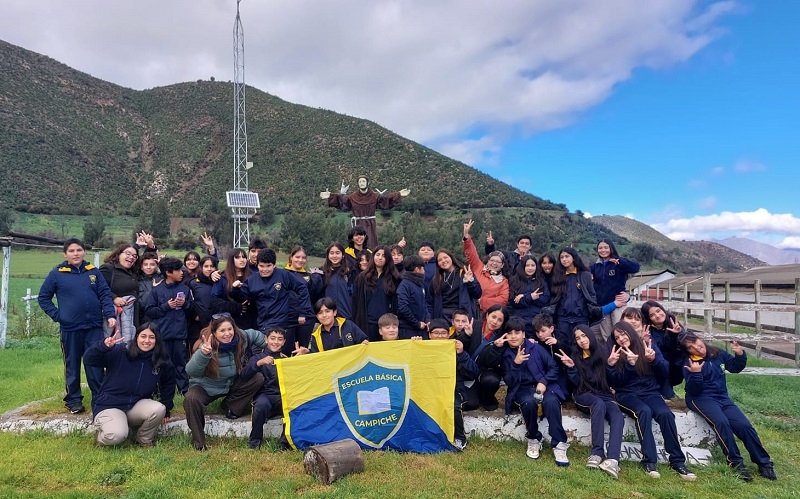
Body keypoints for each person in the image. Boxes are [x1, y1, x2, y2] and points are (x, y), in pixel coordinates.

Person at [680, 332, 777, 481]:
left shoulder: (716, 352)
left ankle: (764, 462)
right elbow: (694, 390)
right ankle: (736, 463)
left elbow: (734, 367)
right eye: (691, 348)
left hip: (722, 398)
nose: (698, 348)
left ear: (701, 339)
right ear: (688, 351)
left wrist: (740, 355)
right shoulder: (689, 363)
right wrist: (696, 373)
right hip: (699, 399)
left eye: (697, 343)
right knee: (721, 422)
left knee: (744, 426)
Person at [607, 322, 696, 481]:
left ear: (631, 333)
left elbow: (664, 372)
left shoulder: (646, 345)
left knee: (665, 414)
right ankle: (649, 461)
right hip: (626, 395)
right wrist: (629, 365)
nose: (621, 339)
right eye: (617, 337)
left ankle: (677, 461)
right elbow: (616, 383)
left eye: (623, 334)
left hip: (650, 392)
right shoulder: (615, 353)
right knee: (644, 411)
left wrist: (654, 359)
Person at [38, 238, 116, 414]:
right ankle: (73, 401)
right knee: (72, 365)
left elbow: (104, 294)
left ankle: (100, 397)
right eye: (72, 251)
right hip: (70, 328)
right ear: (65, 254)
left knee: (95, 363)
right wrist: (59, 316)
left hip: (93, 327)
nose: (76, 254)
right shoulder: (57, 274)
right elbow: (43, 298)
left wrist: (110, 315)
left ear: (84, 252)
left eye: (79, 250)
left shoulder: (93, 272)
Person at [184, 315, 267, 450]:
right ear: (214, 333)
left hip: (230, 383)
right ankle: (199, 443)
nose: (227, 333)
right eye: (222, 331)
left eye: (230, 329)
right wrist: (203, 354)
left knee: (257, 378)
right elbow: (191, 371)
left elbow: (258, 336)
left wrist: (273, 346)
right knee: (191, 399)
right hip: (207, 386)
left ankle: (231, 406)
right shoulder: (205, 345)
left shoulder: (241, 337)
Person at [84, 323, 175, 447]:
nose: (147, 341)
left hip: (136, 405)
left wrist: (168, 409)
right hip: (110, 405)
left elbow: (168, 383)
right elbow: (89, 360)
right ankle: (102, 437)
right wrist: (103, 346)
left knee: (159, 409)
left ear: (157, 340)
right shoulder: (120, 351)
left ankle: (143, 439)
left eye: (151, 337)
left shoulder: (161, 360)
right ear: (137, 337)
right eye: (143, 336)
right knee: (116, 436)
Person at [500, 317, 570, 465]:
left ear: (524, 334)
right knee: (529, 402)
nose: (513, 336)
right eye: (509, 333)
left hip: (544, 385)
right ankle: (533, 438)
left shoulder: (536, 347)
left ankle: (559, 443)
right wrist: (516, 364)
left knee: (551, 402)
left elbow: (553, 367)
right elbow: (509, 382)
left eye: (517, 332)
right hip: (522, 389)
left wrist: (543, 382)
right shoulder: (506, 354)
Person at [557, 325, 623, 478]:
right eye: (578, 338)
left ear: (590, 336)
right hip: (583, 395)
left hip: (604, 394)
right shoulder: (575, 356)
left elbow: (611, 380)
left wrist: (610, 365)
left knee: (617, 415)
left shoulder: (603, 352)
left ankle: (613, 460)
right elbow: (576, 384)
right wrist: (572, 367)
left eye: (583, 336)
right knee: (598, 404)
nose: (581, 340)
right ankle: (597, 453)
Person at [232, 248, 314, 336]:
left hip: (282, 326)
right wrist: (236, 289)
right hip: (262, 325)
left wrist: (303, 312)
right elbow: (242, 297)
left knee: (284, 349)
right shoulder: (252, 280)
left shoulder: (283, 275)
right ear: (257, 265)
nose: (265, 269)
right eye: (262, 266)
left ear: (274, 265)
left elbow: (302, 288)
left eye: (268, 266)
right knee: (262, 349)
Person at [428, 318, 479, 451]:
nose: (440, 336)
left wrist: (461, 354)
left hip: (454, 389)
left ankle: (460, 437)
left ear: (448, 334)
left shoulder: (455, 348)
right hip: (429, 389)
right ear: (429, 335)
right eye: (436, 333)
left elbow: (473, 372)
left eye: (443, 333)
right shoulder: (423, 348)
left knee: (454, 405)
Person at [144, 257, 192, 395]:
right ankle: (161, 391)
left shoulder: (185, 289)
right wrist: (166, 306)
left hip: (180, 335)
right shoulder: (157, 291)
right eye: (178, 270)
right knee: (162, 363)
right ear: (168, 272)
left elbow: (191, 309)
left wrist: (185, 304)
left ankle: (183, 390)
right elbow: (149, 311)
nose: (182, 272)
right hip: (162, 335)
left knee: (180, 363)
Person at [321, 175, 410, 246]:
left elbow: (386, 200)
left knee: (370, 244)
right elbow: (342, 200)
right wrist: (330, 195)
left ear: (368, 183)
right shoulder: (353, 197)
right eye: (360, 182)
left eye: (363, 181)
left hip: (370, 225)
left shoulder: (375, 196)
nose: (361, 183)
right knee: (357, 245)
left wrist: (399, 194)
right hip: (357, 224)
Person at [240, 327, 287, 449]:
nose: (275, 342)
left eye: (279, 339)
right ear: (266, 339)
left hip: (281, 396)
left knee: (294, 405)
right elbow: (244, 375)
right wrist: (259, 363)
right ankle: (254, 442)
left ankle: (285, 442)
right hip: (264, 395)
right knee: (261, 405)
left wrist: (301, 358)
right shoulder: (257, 357)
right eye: (272, 338)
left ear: (284, 342)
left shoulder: (286, 359)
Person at [547, 247, 599, 348]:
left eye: (567, 256)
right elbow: (554, 296)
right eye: (561, 257)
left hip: (581, 317)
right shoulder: (557, 276)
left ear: (573, 258)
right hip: (563, 318)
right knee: (562, 345)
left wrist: (591, 309)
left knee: (581, 345)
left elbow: (592, 294)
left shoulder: (585, 275)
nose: (564, 259)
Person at [590, 239, 639, 342]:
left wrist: (620, 262)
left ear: (611, 248)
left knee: (622, 332)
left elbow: (635, 267)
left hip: (619, 304)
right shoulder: (595, 266)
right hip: (603, 306)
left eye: (606, 247)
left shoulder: (618, 263)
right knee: (607, 336)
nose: (603, 250)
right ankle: (611, 356)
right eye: (600, 248)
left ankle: (626, 355)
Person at [353, 245, 401, 341]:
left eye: (383, 256)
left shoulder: (395, 278)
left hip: (387, 326)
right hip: (367, 323)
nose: (380, 258)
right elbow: (355, 302)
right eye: (377, 254)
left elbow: (397, 303)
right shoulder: (362, 277)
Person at [463, 220, 509, 315]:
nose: (494, 263)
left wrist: (481, 301)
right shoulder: (478, 267)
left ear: (502, 265)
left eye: (498, 262)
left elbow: (503, 299)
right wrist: (466, 236)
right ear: (488, 261)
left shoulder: (503, 281)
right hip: (468, 310)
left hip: (487, 314)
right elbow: (472, 253)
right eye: (492, 260)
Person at [641, 300, 686, 399]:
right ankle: (668, 394)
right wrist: (644, 340)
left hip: (675, 364)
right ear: (648, 318)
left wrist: (677, 335)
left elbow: (682, 346)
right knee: (661, 363)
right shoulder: (648, 331)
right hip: (657, 364)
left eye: (658, 311)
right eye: (652, 315)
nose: (657, 315)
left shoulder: (673, 323)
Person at [284, 245, 324, 356]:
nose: (300, 260)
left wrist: (316, 276)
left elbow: (314, 293)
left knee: (302, 350)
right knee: (286, 350)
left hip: (306, 318)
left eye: (303, 258)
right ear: (291, 257)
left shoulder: (308, 276)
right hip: (288, 318)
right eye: (297, 257)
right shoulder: (283, 273)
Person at [468, 304, 509, 411]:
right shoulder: (473, 325)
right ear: (487, 315)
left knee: (491, 380)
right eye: (493, 317)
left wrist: (496, 348)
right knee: (470, 404)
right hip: (466, 370)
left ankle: (487, 399)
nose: (495, 322)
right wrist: (465, 335)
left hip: (485, 371)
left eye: (500, 320)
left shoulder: (501, 337)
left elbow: (492, 362)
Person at [295, 297, 369, 354]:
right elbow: (316, 357)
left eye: (327, 311)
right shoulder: (316, 336)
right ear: (317, 316)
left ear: (334, 312)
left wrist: (364, 343)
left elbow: (364, 341)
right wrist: (307, 352)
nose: (324, 315)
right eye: (320, 313)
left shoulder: (348, 325)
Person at [428, 248, 482, 324]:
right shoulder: (436, 279)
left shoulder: (464, 273)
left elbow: (477, 294)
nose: (443, 261)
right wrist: (430, 319)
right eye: (439, 260)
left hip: (462, 317)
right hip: (442, 317)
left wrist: (470, 282)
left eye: (445, 257)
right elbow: (429, 302)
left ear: (451, 257)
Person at [210, 248, 257, 330]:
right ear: (232, 260)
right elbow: (214, 301)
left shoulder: (253, 276)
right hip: (229, 323)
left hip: (251, 322)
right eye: (237, 257)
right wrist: (234, 307)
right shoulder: (222, 277)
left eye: (244, 257)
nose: (242, 260)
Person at [100, 243, 141, 337]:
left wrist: (149, 247)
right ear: (118, 254)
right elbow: (99, 288)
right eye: (128, 253)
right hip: (114, 317)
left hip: (132, 317)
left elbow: (149, 263)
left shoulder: (133, 271)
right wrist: (114, 298)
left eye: (134, 256)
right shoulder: (108, 268)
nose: (131, 257)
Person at [508, 255, 550, 338]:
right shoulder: (514, 281)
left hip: (537, 322)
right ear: (522, 266)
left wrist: (524, 296)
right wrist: (530, 297)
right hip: (520, 322)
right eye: (527, 265)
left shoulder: (541, 281)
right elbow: (513, 301)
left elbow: (545, 299)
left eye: (533, 265)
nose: (530, 268)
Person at [321, 242, 359, 321]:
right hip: (329, 317)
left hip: (347, 315)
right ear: (328, 255)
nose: (334, 256)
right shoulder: (322, 272)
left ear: (343, 255)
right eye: (332, 253)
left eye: (337, 253)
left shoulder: (351, 271)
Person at [396, 255, 431, 339]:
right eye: (423, 268)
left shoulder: (420, 284)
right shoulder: (404, 285)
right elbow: (403, 308)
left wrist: (428, 320)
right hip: (408, 329)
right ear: (417, 269)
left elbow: (424, 305)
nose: (424, 271)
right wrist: (417, 323)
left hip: (422, 328)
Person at [187, 256, 217, 352]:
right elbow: (188, 302)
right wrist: (194, 315)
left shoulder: (221, 282)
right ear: (201, 267)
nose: (209, 269)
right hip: (197, 325)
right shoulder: (193, 283)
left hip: (216, 323)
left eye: (212, 266)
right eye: (206, 266)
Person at [137, 251, 162, 326]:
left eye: (152, 264)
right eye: (145, 264)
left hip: (159, 318)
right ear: (141, 267)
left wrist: (163, 263)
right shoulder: (136, 280)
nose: (148, 267)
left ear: (157, 266)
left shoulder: (162, 278)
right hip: (141, 318)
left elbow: (181, 271)